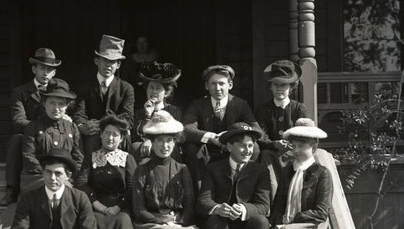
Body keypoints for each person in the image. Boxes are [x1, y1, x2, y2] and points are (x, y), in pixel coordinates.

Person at [75, 115, 138, 229]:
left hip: (121, 205)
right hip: (97, 205)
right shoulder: (91, 158)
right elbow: (81, 183)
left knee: (123, 220)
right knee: (94, 220)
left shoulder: (127, 158)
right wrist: (97, 204)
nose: (110, 138)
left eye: (115, 135)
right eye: (107, 133)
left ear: (121, 138)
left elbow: (132, 187)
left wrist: (118, 207)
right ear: (101, 135)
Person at [183, 65, 260, 193]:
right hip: (208, 150)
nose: (217, 88)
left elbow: (256, 129)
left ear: (230, 85)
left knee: (255, 147)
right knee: (192, 148)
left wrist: (232, 136)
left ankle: (245, 190)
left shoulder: (240, 104)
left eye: (221, 84)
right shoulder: (198, 104)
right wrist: (212, 137)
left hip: (233, 148)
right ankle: (200, 194)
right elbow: (186, 129)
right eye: (213, 84)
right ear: (207, 86)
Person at [0, 48, 61, 206]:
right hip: (29, 135)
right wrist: (39, 128)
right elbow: (18, 120)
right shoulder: (20, 92)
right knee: (16, 140)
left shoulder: (59, 90)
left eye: (49, 69)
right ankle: (12, 189)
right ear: (34, 69)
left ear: (53, 73)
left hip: (53, 135)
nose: (46, 73)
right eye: (42, 68)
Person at [73, 34, 135, 160]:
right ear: (97, 61)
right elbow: (79, 113)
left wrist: (105, 126)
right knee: (88, 138)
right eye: (104, 60)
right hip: (92, 133)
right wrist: (82, 126)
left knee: (125, 139)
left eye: (112, 61)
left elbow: (128, 118)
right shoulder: (85, 87)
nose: (108, 65)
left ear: (118, 65)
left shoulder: (126, 88)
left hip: (116, 133)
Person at [255, 60, 307, 201]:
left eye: (283, 85)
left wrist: (292, 145)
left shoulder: (298, 109)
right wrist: (274, 144)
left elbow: (303, 135)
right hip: (272, 154)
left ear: (291, 87)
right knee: (265, 155)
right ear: (270, 87)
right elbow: (260, 136)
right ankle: (269, 203)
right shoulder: (263, 109)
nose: (279, 89)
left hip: (293, 153)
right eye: (275, 85)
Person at [21, 78, 83, 194]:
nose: (56, 108)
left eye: (61, 104)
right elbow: (28, 156)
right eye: (52, 103)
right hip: (37, 178)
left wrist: (65, 176)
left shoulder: (73, 128)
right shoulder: (33, 127)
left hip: (66, 180)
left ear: (67, 106)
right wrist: (49, 174)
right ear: (44, 103)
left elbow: (78, 159)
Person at [130, 62, 182, 164]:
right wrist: (148, 115)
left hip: (167, 148)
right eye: (151, 87)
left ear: (166, 92)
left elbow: (174, 135)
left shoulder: (174, 111)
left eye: (158, 88)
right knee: (135, 146)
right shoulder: (140, 113)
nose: (153, 91)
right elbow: (136, 137)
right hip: (145, 151)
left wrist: (152, 141)